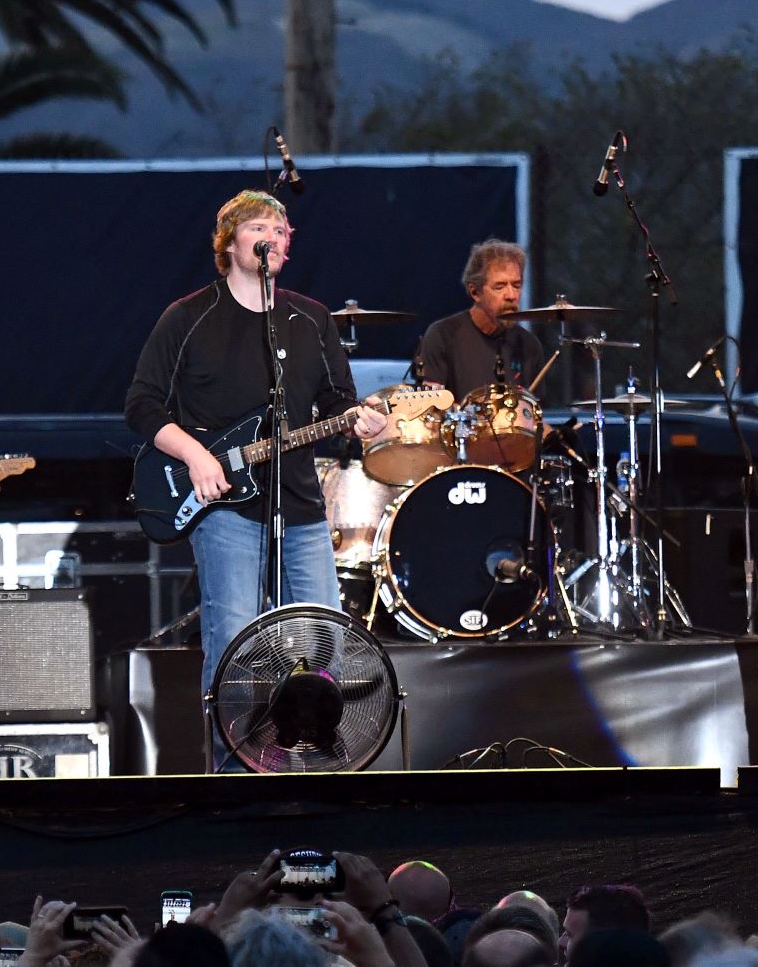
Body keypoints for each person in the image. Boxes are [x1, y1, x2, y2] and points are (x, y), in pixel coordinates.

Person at [124, 191, 387, 727]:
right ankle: (231, 767)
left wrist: (362, 419)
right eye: (258, 227)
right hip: (224, 508)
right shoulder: (188, 316)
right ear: (229, 243)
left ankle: (312, 752)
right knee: (235, 640)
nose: (272, 237)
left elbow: (338, 402)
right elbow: (142, 403)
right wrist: (196, 454)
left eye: (281, 230)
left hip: (301, 505)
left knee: (325, 637)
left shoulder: (310, 319)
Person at [418, 239, 544, 399]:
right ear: (475, 292)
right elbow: (431, 407)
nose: (511, 296)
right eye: (500, 287)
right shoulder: (443, 335)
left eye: (516, 285)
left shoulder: (528, 345)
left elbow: (534, 415)